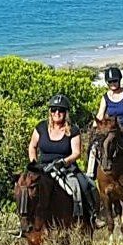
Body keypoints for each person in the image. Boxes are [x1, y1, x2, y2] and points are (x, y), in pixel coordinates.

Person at [28, 93, 100, 223]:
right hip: (43, 167)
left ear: (66, 113)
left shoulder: (73, 130)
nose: (57, 113)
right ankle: (24, 221)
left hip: (65, 167)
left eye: (61, 110)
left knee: (84, 185)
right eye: (54, 109)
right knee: (24, 188)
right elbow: (32, 146)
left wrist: (64, 162)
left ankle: (91, 216)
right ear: (50, 112)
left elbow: (76, 152)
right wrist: (34, 163)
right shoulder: (41, 127)